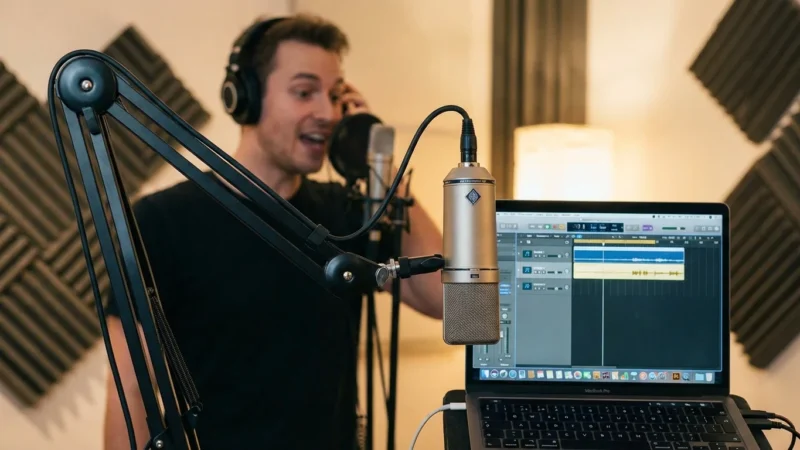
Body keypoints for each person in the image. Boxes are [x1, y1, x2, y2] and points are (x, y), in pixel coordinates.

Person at [102, 13, 444, 450]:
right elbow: (131, 392)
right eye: (305, 92)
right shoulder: (162, 221)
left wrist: (377, 162)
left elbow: (445, 299)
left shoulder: (347, 213)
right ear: (246, 97)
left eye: (336, 95)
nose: (327, 112)